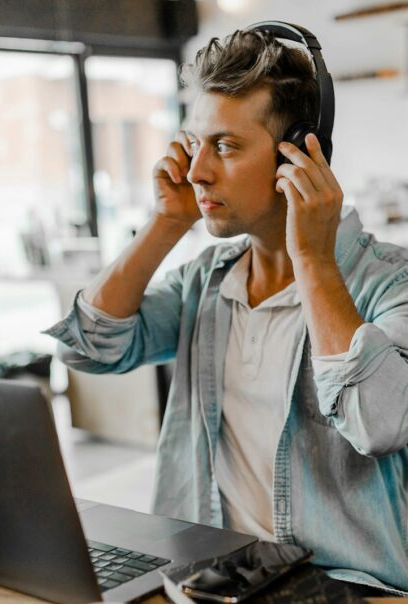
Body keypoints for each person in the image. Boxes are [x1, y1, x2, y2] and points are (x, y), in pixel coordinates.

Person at [46, 27, 408, 594]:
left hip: (344, 589)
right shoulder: (205, 282)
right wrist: (167, 223)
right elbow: (87, 347)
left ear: (302, 153)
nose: (197, 172)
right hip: (208, 581)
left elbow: (381, 423)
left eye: (227, 146)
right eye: (196, 144)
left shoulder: (391, 282)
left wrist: (311, 257)